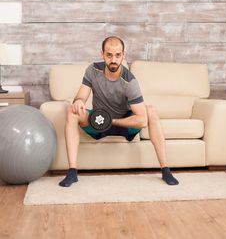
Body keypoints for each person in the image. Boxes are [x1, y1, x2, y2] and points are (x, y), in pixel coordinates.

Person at [59, 36, 179, 187]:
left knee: (151, 112)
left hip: (123, 125)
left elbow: (142, 120)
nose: (113, 60)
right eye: (109, 55)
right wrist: (79, 102)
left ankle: (165, 170)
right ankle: (72, 172)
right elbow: (81, 96)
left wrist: (112, 120)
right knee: (72, 111)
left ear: (123, 54)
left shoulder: (130, 81)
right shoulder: (92, 70)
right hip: (98, 123)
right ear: (102, 54)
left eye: (117, 55)